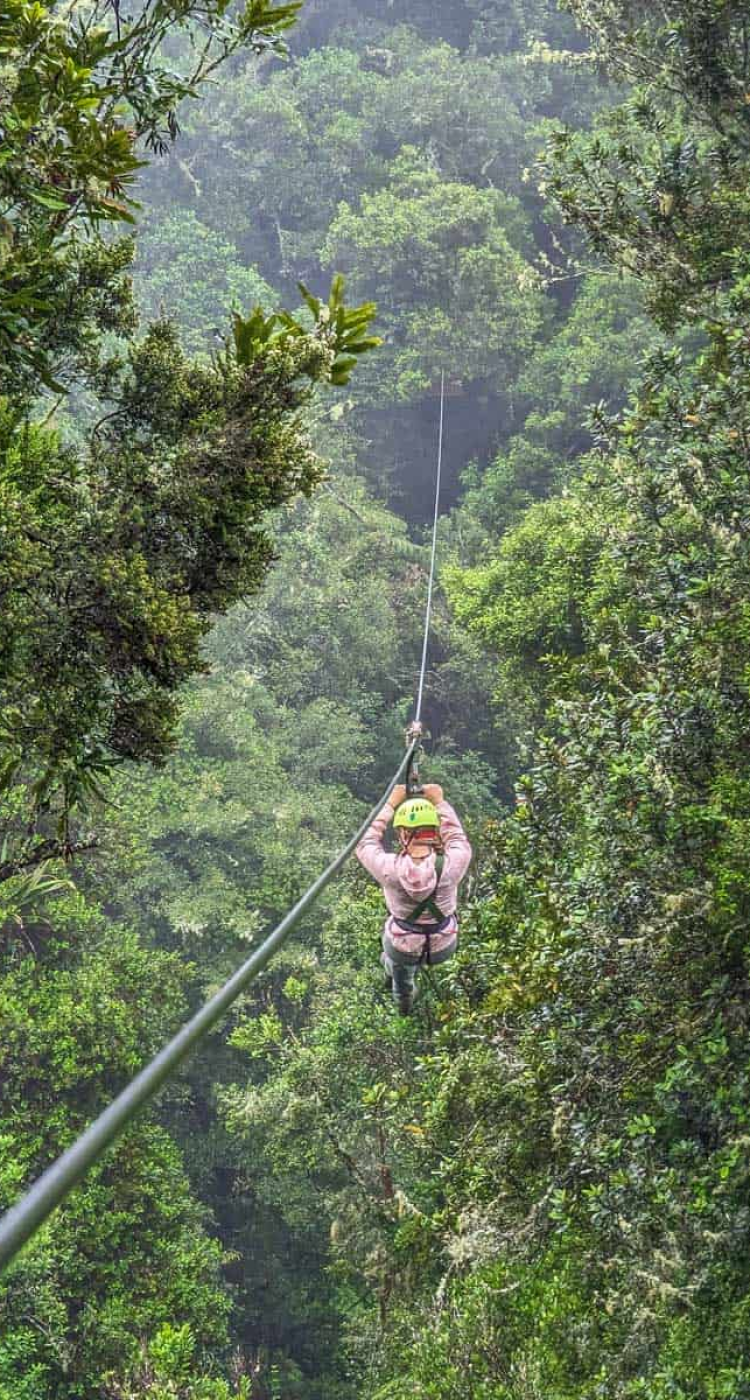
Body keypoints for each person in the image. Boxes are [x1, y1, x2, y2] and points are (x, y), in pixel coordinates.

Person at [355, 782, 472, 1014]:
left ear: (403, 834)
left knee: (396, 964)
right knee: (398, 952)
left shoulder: (390, 869)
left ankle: (403, 1002)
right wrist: (439, 802)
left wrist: (390, 804)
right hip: (443, 945)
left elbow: (365, 842)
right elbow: (457, 838)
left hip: (403, 946)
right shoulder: (453, 865)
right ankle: (395, 970)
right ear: (434, 831)